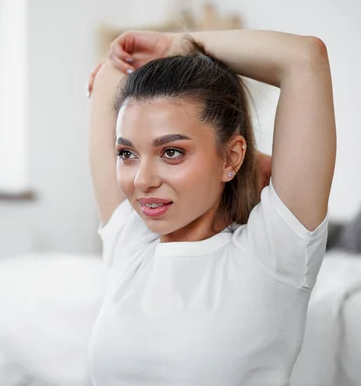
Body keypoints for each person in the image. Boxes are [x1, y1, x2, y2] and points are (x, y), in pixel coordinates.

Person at [85, 30, 336, 385]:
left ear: (231, 157)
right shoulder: (131, 245)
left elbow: (305, 57)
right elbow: (113, 71)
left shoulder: (273, 256)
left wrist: (179, 45)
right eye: (127, 153)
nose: (142, 180)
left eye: (171, 152)